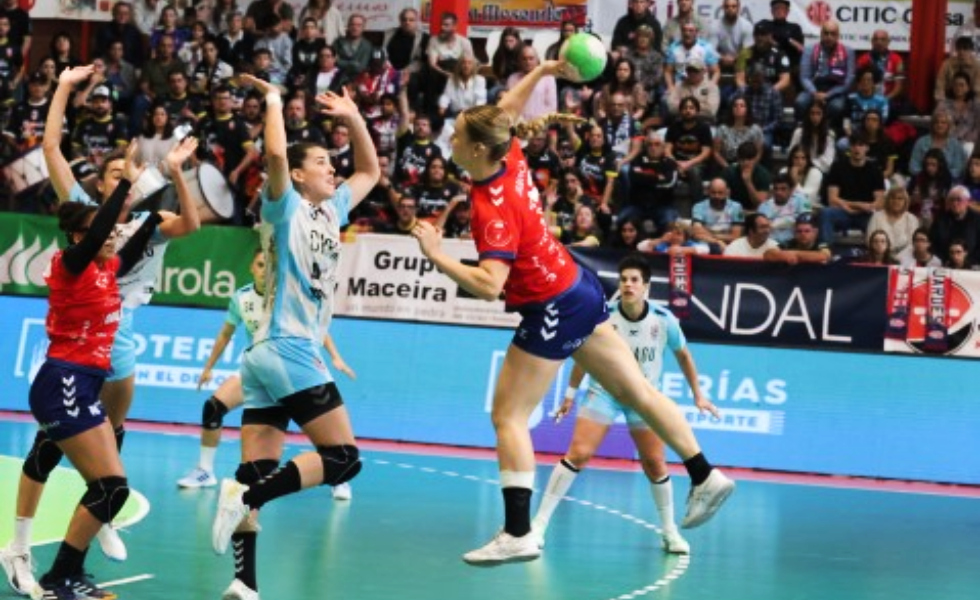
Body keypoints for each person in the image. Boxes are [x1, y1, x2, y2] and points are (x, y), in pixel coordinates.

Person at [408, 57, 734, 565]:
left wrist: (436, 255)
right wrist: (541, 71)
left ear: (476, 149)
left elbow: (490, 285)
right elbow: (505, 111)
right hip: (579, 287)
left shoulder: (492, 209)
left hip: (551, 305)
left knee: (508, 415)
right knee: (638, 392)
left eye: (457, 136)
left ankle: (518, 532)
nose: (450, 139)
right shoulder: (510, 153)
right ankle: (704, 474)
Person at [0, 65, 202, 579]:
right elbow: (91, 217)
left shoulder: (116, 254)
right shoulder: (79, 250)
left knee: (110, 464)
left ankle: (97, 517)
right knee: (63, 457)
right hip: (68, 368)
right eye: (113, 176)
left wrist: (173, 170)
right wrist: (65, 88)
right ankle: (25, 546)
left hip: (108, 346)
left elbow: (141, 234)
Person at [209, 75, 380, 600]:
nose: (333, 168)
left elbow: (371, 171)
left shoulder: (332, 210)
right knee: (343, 458)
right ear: (299, 176)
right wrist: (274, 100)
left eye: (332, 162)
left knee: (255, 467)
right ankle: (246, 498)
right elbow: (277, 155)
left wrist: (354, 117)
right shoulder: (284, 208)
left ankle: (244, 581)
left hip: (264, 356)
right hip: (290, 348)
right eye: (322, 162)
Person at [2, 145, 163, 600]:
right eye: (99, 232)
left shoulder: (107, 270)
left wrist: (155, 202)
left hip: (83, 386)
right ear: (78, 236)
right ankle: (56, 574)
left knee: (109, 489)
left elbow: (136, 242)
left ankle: (60, 574)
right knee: (110, 487)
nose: (109, 238)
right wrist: (125, 183)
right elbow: (101, 233)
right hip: (63, 383)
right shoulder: (70, 265)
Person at [532, 254, 718, 554]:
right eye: (624, 280)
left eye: (634, 280)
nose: (628, 285)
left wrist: (698, 394)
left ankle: (670, 532)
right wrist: (570, 394)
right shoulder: (603, 318)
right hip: (604, 392)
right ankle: (538, 526)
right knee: (578, 454)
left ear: (646, 287)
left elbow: (683, 355)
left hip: (643, 398)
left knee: (654, 463)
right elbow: (584, 355)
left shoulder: (663, 320)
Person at [179, 249, 356, 499]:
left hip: (292, 365)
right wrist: (208, 367)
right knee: (213, 407)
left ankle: (338, 478)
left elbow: (318, 329)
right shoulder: (241, 297)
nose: (265, 270)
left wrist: (335, 357)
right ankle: (206, 471)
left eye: (270, 265)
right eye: (260, 264)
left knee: (319, 427)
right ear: (252, 268)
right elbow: (225, 334)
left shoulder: (286, 296)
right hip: (258, 367)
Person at [820, 132, 884, 244]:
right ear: (850, 147)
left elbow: (880, 202)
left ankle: (875, 252)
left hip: (865, 214)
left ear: (867, 148)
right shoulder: (837, 167)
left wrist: (864, 207)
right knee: (826, 213)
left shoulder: (875, 170)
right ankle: (825, 249)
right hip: (843, 211)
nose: (857, 149)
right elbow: (832, 199)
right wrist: (858, 205)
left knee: (879, 218)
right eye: (854, 145)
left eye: (861, 145)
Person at [929, 186, 980, 265]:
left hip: (973, 264)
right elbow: (933, 243)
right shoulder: (940, 219)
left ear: (968, 201)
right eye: (952, 200)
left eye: (959, 200)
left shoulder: (977, 220)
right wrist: (945, 260)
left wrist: (968, 261)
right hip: (944, 263)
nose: (955, 203)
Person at [866, 186, 919, 259]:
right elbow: (870, 240)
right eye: (893, 198)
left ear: (905, 202)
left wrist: (899, 258)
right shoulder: (877, 217)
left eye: (900, 199)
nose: (896, 201)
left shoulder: (911, 219)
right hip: (880, 257)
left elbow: (913, 244)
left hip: (905, 258)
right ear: (887, 200)